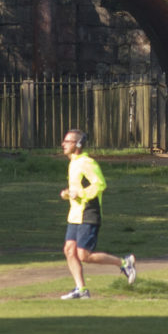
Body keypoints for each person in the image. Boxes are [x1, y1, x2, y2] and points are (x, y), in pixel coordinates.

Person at [57, 128, 135, 299]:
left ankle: (124, 263)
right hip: (75, 214)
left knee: (83, 255)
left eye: (67, 141)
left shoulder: (87, 162)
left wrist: (81, 194)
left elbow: (100, 184)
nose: (63, 144)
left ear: (77, 144)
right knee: (69, 250)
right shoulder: (73, 162)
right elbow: (78, 187)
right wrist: (68, 192)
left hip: (88, 212)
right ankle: (81, 290)